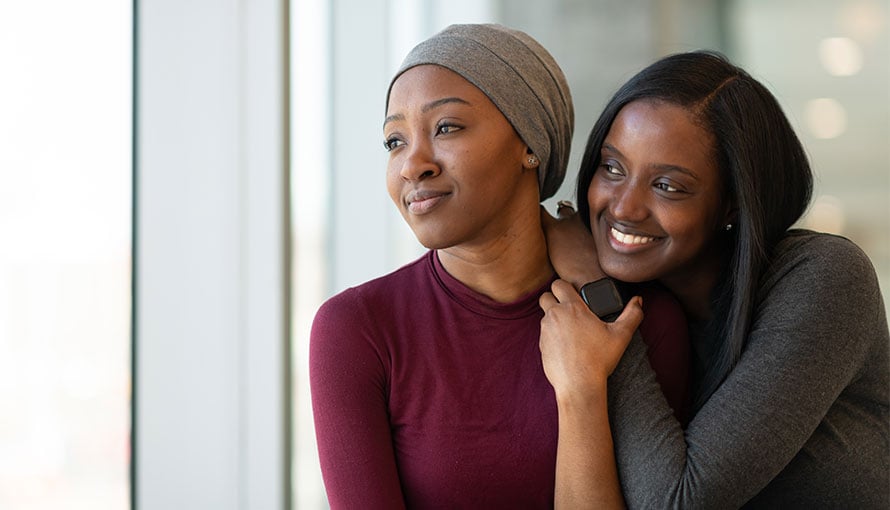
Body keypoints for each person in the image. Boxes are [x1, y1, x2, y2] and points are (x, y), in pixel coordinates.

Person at [310, 24, 690, 509]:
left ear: (528, 143)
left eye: (446, 127)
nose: (412, 165)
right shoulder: (357, 330)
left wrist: (583, 387)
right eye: (394, 142)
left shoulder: (641, 320)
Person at [539, 50, 890, 508]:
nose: (624, 207)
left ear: (733, 205)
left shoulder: (823, 278)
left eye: (667, 186)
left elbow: (677, 501)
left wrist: (594, 288)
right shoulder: (649, 300)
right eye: (612, 167)